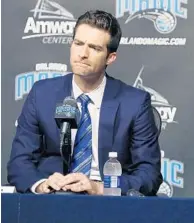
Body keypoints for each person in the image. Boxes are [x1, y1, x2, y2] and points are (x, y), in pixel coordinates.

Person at [7, 10, 162, 195]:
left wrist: (100, 188)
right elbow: (19, 162)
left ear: (110, 58)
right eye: (78, 43)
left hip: (106, 204)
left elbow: (149, 173)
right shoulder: (42, 94)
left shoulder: (134, 102)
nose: (83, 54)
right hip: (52, 201)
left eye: (95, 48)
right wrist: (42, 184)